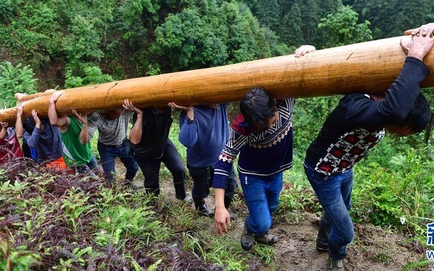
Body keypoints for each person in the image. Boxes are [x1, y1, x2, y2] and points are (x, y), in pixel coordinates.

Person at [304, 23, 434, 271]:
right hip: (323, 172)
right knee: (346, 232)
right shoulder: (356, 107)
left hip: (344, 169)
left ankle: (324, 242)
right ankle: (336, 256)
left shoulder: (387, 102)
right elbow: (394, 109)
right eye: (401, 133)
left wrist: (423, 37)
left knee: (341, 209)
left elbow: (403, 93)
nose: (398, 136)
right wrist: (415, 57)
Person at [213, 45, 316, 251]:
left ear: (274, 105)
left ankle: (258, 230)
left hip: (276, 173)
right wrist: (219, 206)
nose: (270, 125)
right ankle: (251, 228)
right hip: (253, 176)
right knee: (263, 222)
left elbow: (300, 72)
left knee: (272, 207)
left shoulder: (286, 103)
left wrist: (309, 50)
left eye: (271, 119)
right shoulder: (243, 129)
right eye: (263, 125)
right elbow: (223, 161)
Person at [168, 102, 238, 217]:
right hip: (199, 164)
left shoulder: (221, 104)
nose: (216, 102)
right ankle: (200, 207)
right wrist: (190, 114)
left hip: (223, 160)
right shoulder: (191, 111)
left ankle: (221, 210)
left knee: (230, 188)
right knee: (201, 190)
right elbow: (188, 141)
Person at [123, 99, 188, 200]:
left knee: (179, 169)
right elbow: (134, 140)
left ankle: (181, 197)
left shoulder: (167, 105)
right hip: (145, 151)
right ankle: (154, 203)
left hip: (163, 141)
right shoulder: (145, 110)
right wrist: (139, 115)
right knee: (152, 182)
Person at [48, 91, 98, 175]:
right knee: (94, 184)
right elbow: (54, 122)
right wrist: (51, 102)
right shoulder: (67, 120)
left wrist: (85, 125)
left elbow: (84, 141)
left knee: (101, 178)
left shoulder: (83, 117)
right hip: (76, 161)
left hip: (88, 155)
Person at [87, 108, 138, 184]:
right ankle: (113, 191)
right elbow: (88, 133)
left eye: (120, 112)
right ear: (106, 110)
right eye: (115, 113)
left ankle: (127, 184)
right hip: (106, 148)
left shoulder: (125, 111)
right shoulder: (97, 116)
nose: (118, 115)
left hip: (124, 144)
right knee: (110, 177)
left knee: (134, 167)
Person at [15, 104, 68, 170]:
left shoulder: (47, 121)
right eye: (38, 129)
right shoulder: (28, 133)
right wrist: (19, 116)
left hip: (58, 158)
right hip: (44, 162)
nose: (40, 129)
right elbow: (20, 135)